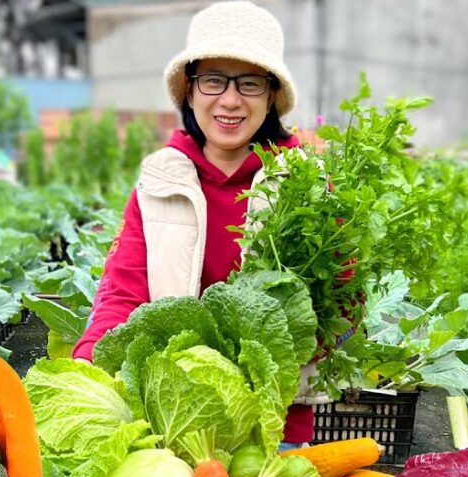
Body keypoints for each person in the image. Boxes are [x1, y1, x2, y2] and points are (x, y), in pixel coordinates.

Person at [72, 0, 322, 445]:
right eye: (213, 80)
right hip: (174, 418)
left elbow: (339, 309)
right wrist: (86, 373)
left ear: (271, 98)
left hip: (273, 424)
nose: (229, 100)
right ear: (189, 91)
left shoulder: (304, 186)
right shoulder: (158, 183)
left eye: (249, 83)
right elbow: (123, 292)